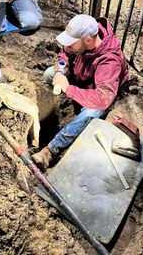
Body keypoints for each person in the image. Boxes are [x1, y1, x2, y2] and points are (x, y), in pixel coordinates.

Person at [32, 14, 129, 168]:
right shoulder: (81, 41)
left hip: (98, 92)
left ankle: (50, 150)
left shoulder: (110, 61)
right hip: (81, 76)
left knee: (91, 113)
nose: (69, 47)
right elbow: (64, 53)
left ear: (88, 40)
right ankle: (54, 107)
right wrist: (61, 69)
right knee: (49, 74)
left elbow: (103, 98)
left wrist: (68, 88)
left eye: (72, 44)